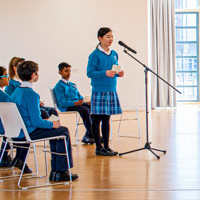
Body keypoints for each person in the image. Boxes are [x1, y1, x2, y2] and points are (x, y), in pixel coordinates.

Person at [10, 61, 78, 182]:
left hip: (18, 132)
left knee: (56, 132)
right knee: (63, 131)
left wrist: (46, 122)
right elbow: (36, 122)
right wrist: (52, 123)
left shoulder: (16, 92)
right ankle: (60, 171)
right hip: (29, 132)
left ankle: (58, 171)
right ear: (33, 75)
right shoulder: (31, 94)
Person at [87, 27, 124, 156]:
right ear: (100, 38)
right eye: (108, 36)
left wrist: (118, 74)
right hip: (99, 91)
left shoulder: (114, 54)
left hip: (111, 89)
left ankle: (107, 146)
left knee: (106, 119)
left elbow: (114, 70)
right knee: (97, 119)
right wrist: (105, 73)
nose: (111, 39)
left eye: (112, 37)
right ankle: (98, 147)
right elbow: (90, 73)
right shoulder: (94, 55)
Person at [53, 62, 95, 144]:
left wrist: (85, 101)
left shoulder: (72, 85)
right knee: (85, 110)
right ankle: (93, 134)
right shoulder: (59, 86)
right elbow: (62, 102)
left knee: (93, 108)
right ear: (60, 72)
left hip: (77, 104)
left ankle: (89, 134)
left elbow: (79, 96)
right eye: (66, 71)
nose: (68, 73)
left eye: (69, 71)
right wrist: (75, 103)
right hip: (68, 106)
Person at [0, 66, 14, 167]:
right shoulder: (4, 96)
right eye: (6, 76)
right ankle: (4, 155)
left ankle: (4, 155)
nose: (8, 78)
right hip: (3, 125)